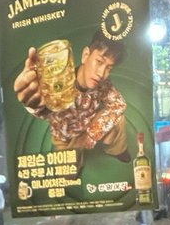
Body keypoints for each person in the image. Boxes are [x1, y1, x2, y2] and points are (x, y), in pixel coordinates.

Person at [13, 32, 129, 165]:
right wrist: (33, 104)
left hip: (90, 125)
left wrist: (91, 133)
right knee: (68, 174)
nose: (101, 73)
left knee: (119, 120)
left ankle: (118, 150)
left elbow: (119, 104)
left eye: (109, 68)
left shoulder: (103, 85)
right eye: (99, 62)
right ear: (86, 55)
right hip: (65, 136)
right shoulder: (59, 82)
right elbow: (45, 110)